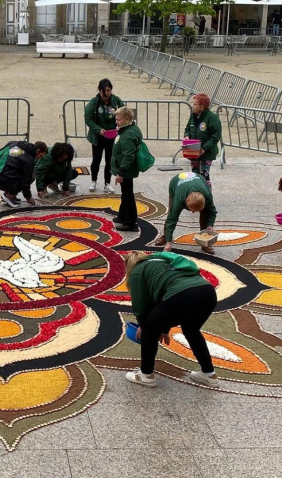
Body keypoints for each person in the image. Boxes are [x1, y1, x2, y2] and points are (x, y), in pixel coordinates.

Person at [123, 251, 220, 388]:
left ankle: (146, 375)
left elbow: (141, 304)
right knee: (191, 330)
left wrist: (144, 325)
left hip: (181, 294)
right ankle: (209, 374)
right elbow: (165, 297)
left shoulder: (137, 271)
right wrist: (163, 327)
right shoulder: (163, 260)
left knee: (149, 329)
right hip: (207, 292)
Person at [155, 172, 218, 254]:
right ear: (185, 203)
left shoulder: (207, 195)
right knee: (172, 212)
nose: (193, 212)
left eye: (196, 210)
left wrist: (210, 225)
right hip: (176, 181)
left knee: (205, 213)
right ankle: (166, 236)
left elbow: (212, 211)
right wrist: (169, 243)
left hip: (198, 179)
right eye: (192, 210)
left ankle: (205, 242)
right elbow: (172, 219)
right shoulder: (179, 198)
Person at [84, 78, 125, 193]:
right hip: (98, 137)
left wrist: (120, 126)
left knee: (110, 160)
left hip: (112, 137)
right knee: (96, 160)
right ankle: (93, 181)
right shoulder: (94, 102)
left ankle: (107, 183)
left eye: (108, 90)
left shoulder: (116, 101)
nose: (106, 93)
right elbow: (88, 118)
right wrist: (98, 130)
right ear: (99, 91)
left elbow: (125, 113)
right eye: (103, 91)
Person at [111, 106, 144, 232]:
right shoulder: (130, 129)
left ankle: (130, 222)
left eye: (119, 120)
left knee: (128, 195)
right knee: (126, 193)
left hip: (126, 170)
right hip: (126, 169)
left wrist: (121, 173)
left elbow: (128, 156)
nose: (116, 122)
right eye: (116, 119)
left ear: (127, 119)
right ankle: (122, 215)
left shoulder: (128, 135)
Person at [183, 93, 222, 189]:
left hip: (207, 152)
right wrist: (187, 136)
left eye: (195, 104)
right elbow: (187, 129)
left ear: (202, 107)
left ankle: (207, 196)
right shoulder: (193, 116)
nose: (193, 106)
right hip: (193, 151)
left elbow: (215, 137)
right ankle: (196, 194)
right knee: (195, 175)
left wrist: (204, 148)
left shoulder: (212, 118)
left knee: (204, 175)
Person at [0, 141, 37, 208]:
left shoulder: (13, 144)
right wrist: (28, 197)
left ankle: (10, 193)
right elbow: (26, 182)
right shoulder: (29, 159)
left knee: (14, 171)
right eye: (40, 156)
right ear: (38, 151)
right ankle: (10, 195)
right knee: (31, 176)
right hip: (4, 180)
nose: (39, 159)